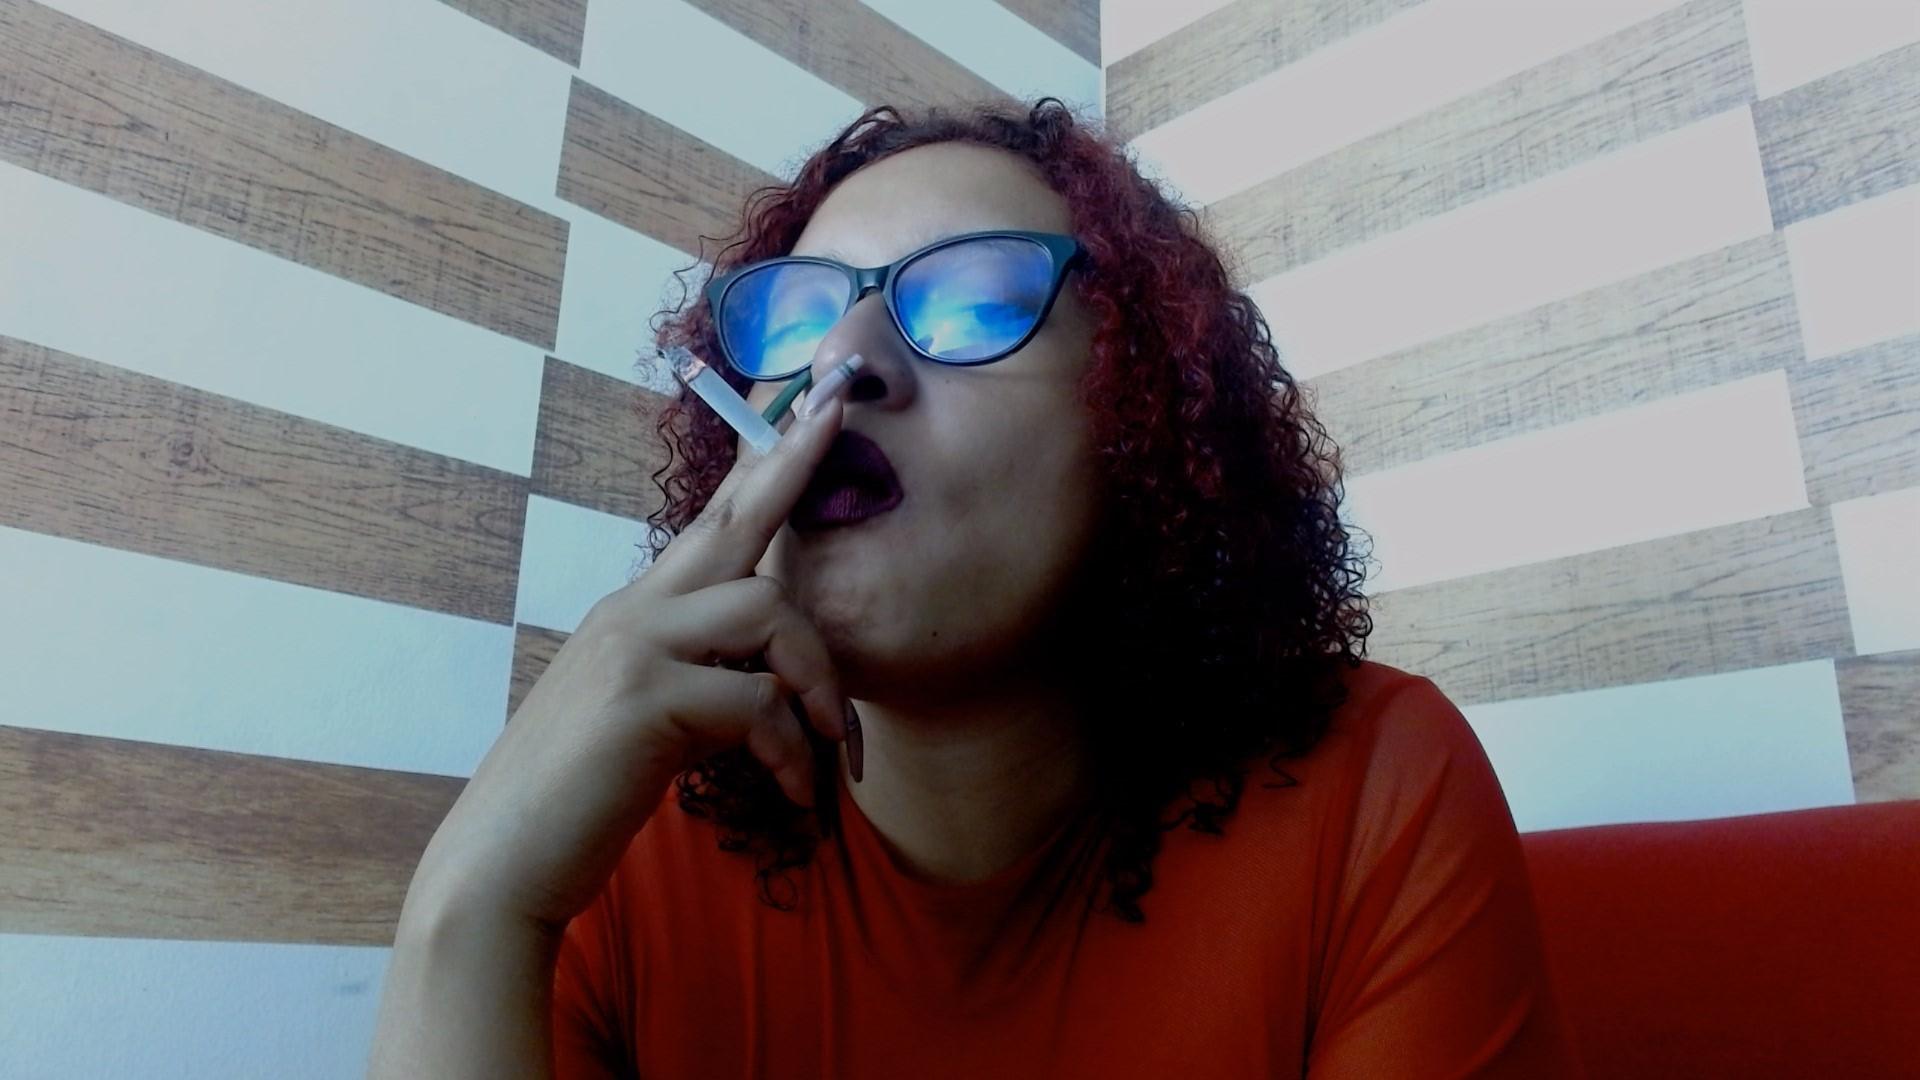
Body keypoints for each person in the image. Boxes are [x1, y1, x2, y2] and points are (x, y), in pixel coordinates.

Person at [366, 98, 1586, 1079]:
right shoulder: (622, 847)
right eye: (795, 320)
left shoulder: (1371, 786)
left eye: (971, 302)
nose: (841, 366)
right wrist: (469, 912)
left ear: (1143, 416)